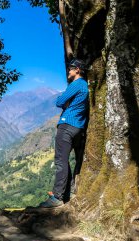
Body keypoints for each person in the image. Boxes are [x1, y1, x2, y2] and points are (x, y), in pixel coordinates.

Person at [39, 58, 89, 208]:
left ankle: (57, 197)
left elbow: (59, 101)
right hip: (78, 128)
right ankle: (66, 194)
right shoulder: (85, 86)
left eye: (71, 68)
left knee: (61, 161)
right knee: (67, 161)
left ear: (78, 70)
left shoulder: (77, 84)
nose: (68, 70)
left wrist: (66, 102)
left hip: (66, 126)